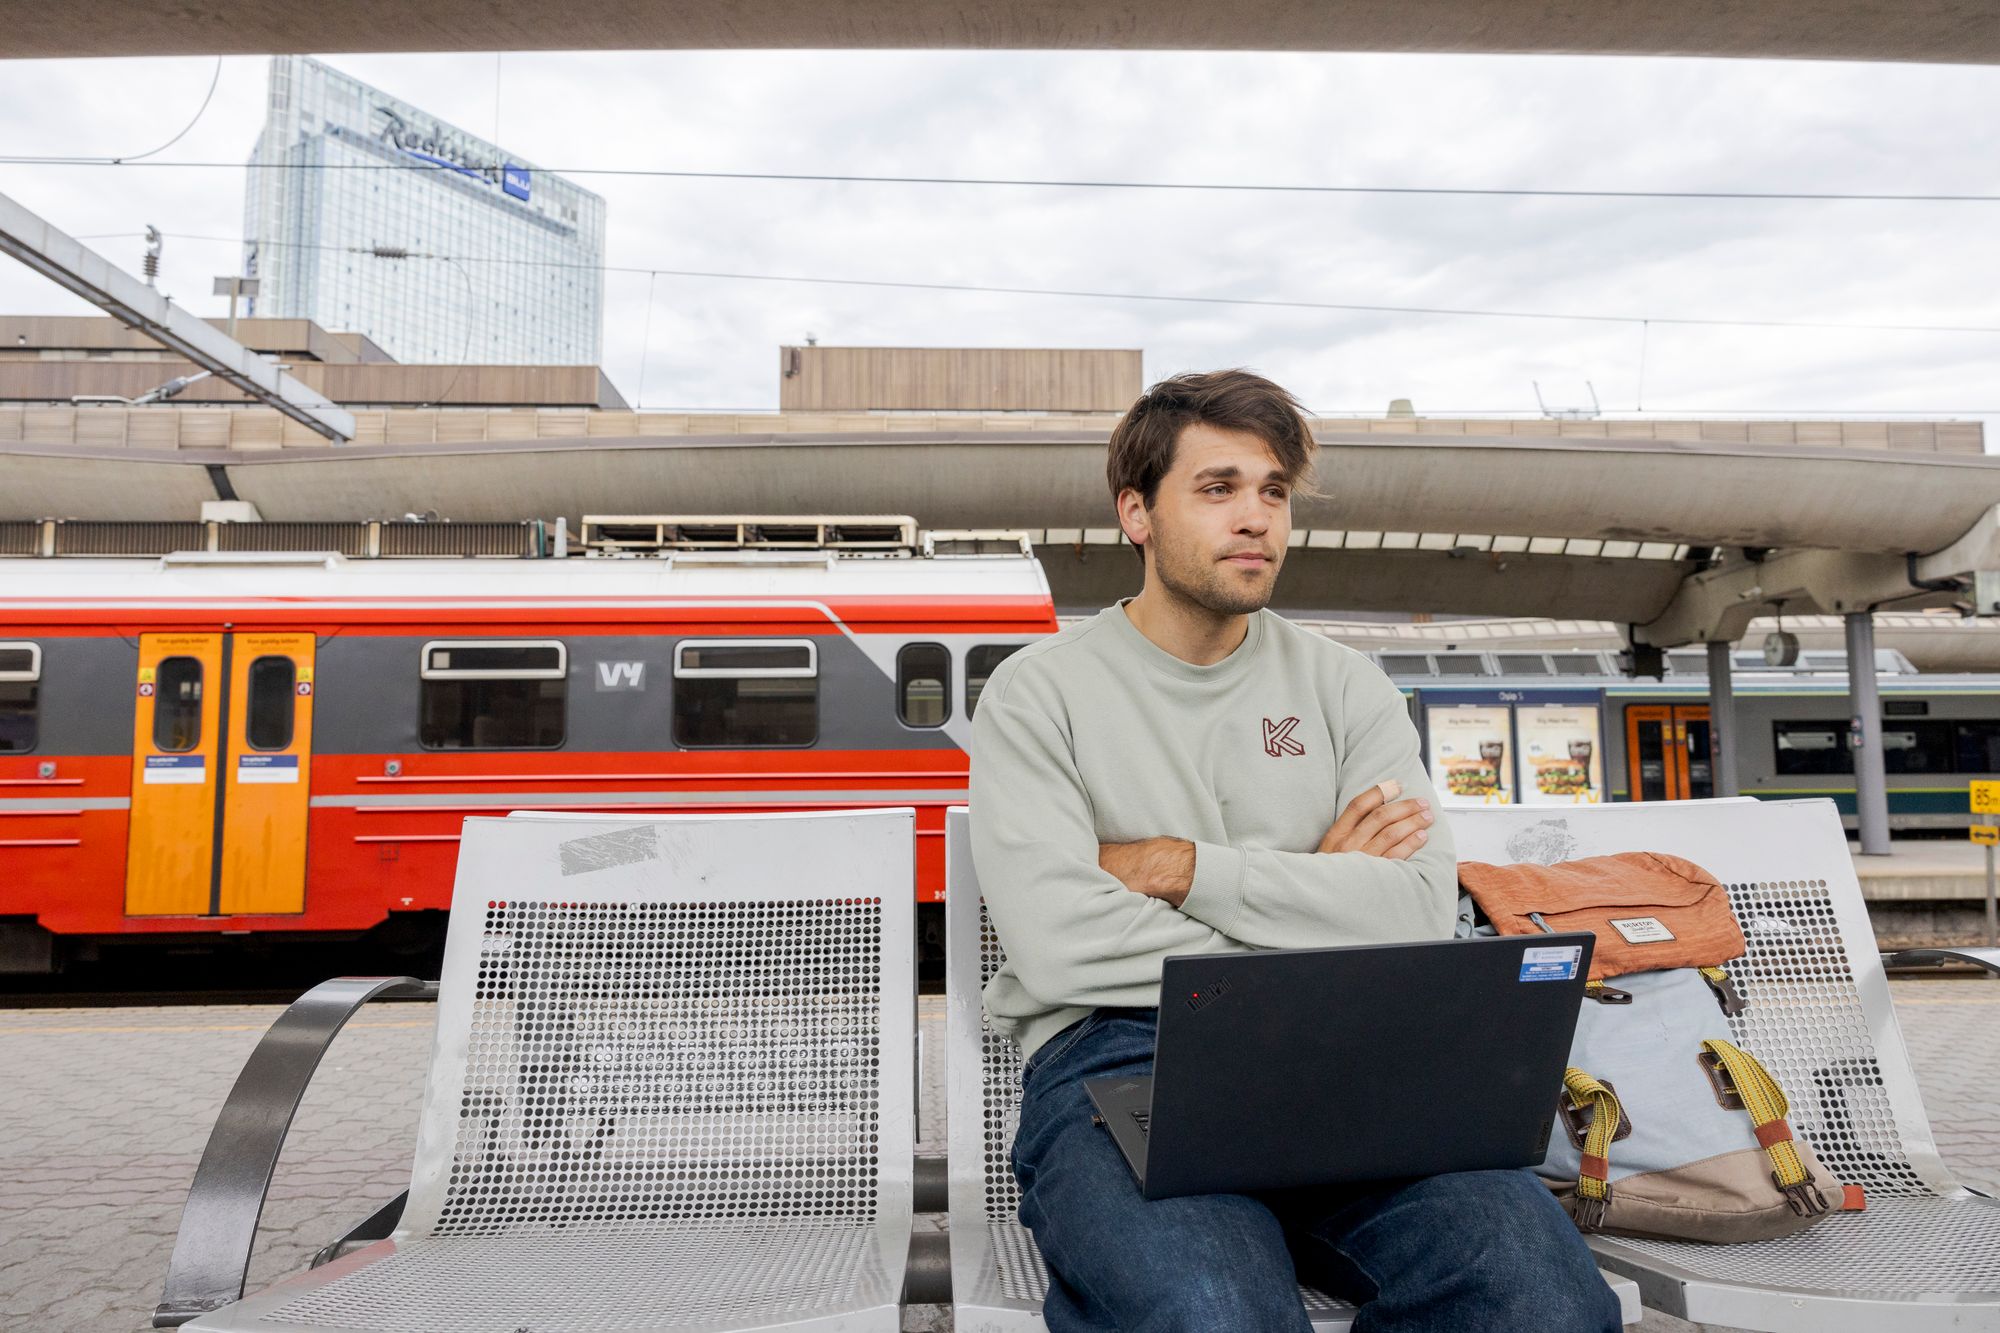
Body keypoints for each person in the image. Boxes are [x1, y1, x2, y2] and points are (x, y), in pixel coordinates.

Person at [968, 369, 1622, 1332]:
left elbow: (1411, 911)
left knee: (1549, 1304)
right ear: (1135, 513)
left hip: (1347, 1051)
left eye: (1273, 491)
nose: (1257, 518)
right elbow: (1061, 941)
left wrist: (1185, 866)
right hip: (1121, 1057)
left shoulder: (1347, 686)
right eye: (1218, 487)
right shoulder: (1039, 693)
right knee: (1213, 1313)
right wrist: (1317, 896)